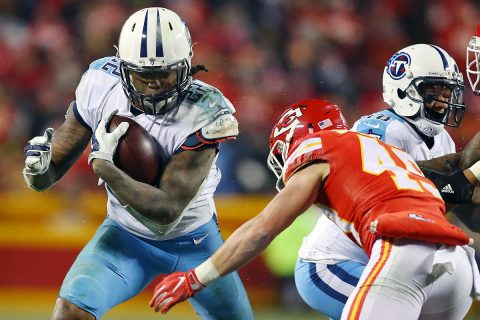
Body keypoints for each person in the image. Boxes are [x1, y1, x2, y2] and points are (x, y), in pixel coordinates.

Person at [149, 98, 480, 319]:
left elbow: (263, 228)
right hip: (459, 270)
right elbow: (453, 185)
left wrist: (196, 278)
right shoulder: (385, 151)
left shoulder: (320, 151)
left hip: (402, 254)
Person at [22, 7, 253, 320]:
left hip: (195, 245)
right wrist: (36, 170)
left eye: (165, 75)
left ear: (186, 67)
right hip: (123, 237)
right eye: (144, 77)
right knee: (69, 312)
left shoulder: (206, 110)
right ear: (123, 68)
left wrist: (106, 168)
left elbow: (166, 213)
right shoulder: (101, 84)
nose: (155, 87)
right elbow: (47, 177)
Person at [293, 43, 480, 319]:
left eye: (447, 92)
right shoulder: (379, 128)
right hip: (335, 262)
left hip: (384, 261)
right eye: (434, 92)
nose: (443, 101)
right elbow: (393, 196)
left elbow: (464, 213)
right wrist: (466, 181)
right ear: (404, 89)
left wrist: (470, 186)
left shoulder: (442, 138)